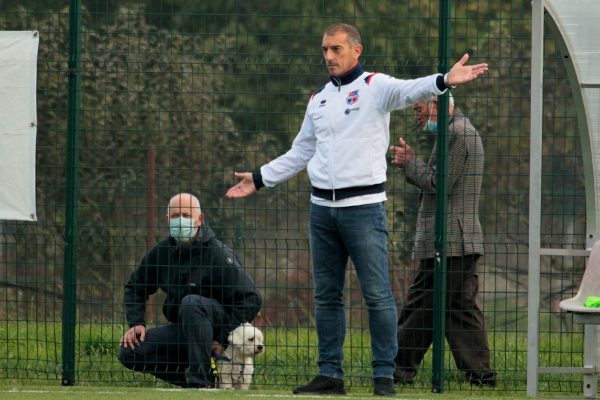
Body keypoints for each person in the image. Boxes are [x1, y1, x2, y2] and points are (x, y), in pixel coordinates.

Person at [225, 23, 487, 396]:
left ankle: (384, 377)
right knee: (326, 296)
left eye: (336, 49)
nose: (329, 57)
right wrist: (260, 177)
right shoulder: (317, 99)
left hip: (363, 209)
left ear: (356, 50)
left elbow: (410, 88)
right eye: (325, 50)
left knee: (377, 295)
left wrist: (444, 80)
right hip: (321, 212)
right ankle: (330, 375)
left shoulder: (375, 87)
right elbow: (301, 151)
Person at [389, 95, 496, 387]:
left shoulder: (459, 134)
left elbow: (441, 183)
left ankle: (397, 370)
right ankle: (481, 376)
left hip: (450, 242)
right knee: (459, 309)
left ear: (438, 103)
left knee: (421, 306)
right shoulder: (454, 132)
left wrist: (411, 163)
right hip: (457, 241)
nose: (417, 116)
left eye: (419, 109)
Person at [118, 193, 262, 389]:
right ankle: (189, 378)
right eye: (175, 215)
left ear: (200, 218)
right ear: (167, 219)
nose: (180, 221)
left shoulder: (217, 254)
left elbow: (251, 297)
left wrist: (223, 337)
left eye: (186, 215)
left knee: (191, 303)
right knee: (129, 351)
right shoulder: (162, 253)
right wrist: (136, 323)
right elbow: (135, 287)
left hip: (217, 327)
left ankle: (200, 382)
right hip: (185, 329)